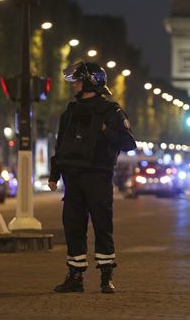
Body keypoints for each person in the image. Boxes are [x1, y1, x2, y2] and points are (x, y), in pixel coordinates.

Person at [49, 61, 137, 294]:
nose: (73, 85)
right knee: (73, 226)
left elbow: (129, 143)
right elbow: (61, 145)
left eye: (77, 81)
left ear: (89, 82)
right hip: (73, 177)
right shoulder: (69, 112)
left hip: (98, 175)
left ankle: (106, 276)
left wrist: (104, 130)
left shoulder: (111, 111)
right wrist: (54, 174)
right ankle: (75, 275)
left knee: (102, 225)